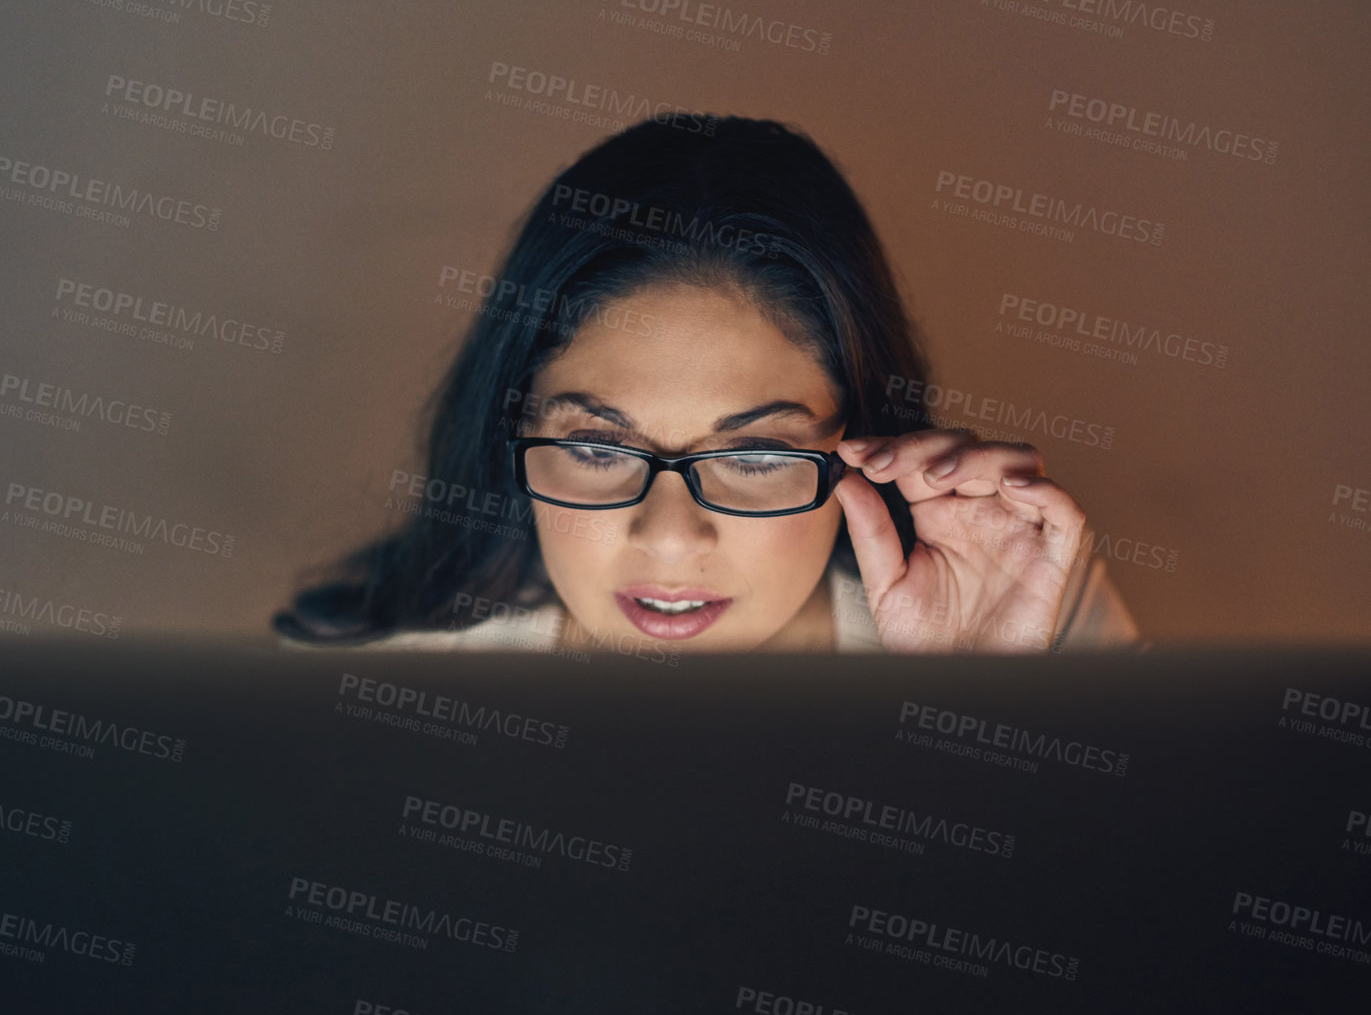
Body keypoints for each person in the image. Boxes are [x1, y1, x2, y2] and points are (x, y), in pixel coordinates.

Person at [275, 114, 1144, 655]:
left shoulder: (1018, 630)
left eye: (758, 455)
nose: (670, 536)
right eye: (591, 445)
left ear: (861, 450)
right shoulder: (367, 698)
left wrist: (982, 716)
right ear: (510, 432)